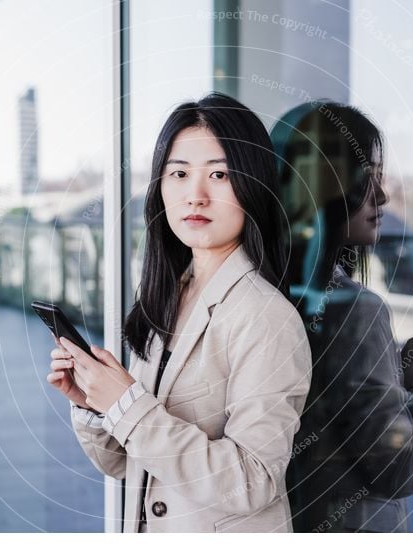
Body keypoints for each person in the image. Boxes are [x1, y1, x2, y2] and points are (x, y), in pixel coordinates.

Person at [47, 92, 312, 533]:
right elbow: (134, 466)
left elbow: (253, 482)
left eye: (220, 174)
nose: (196, 195)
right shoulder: (169, 296)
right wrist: (97, 405)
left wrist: (126, 406)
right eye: (179, 174)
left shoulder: (265, 317)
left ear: (252, 184)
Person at [273, 101, 413, 532]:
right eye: (367, 177)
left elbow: (332, 416)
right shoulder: (355, 310)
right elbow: (396, 468)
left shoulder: (266, 290)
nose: (383, 196)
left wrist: (396, 366)